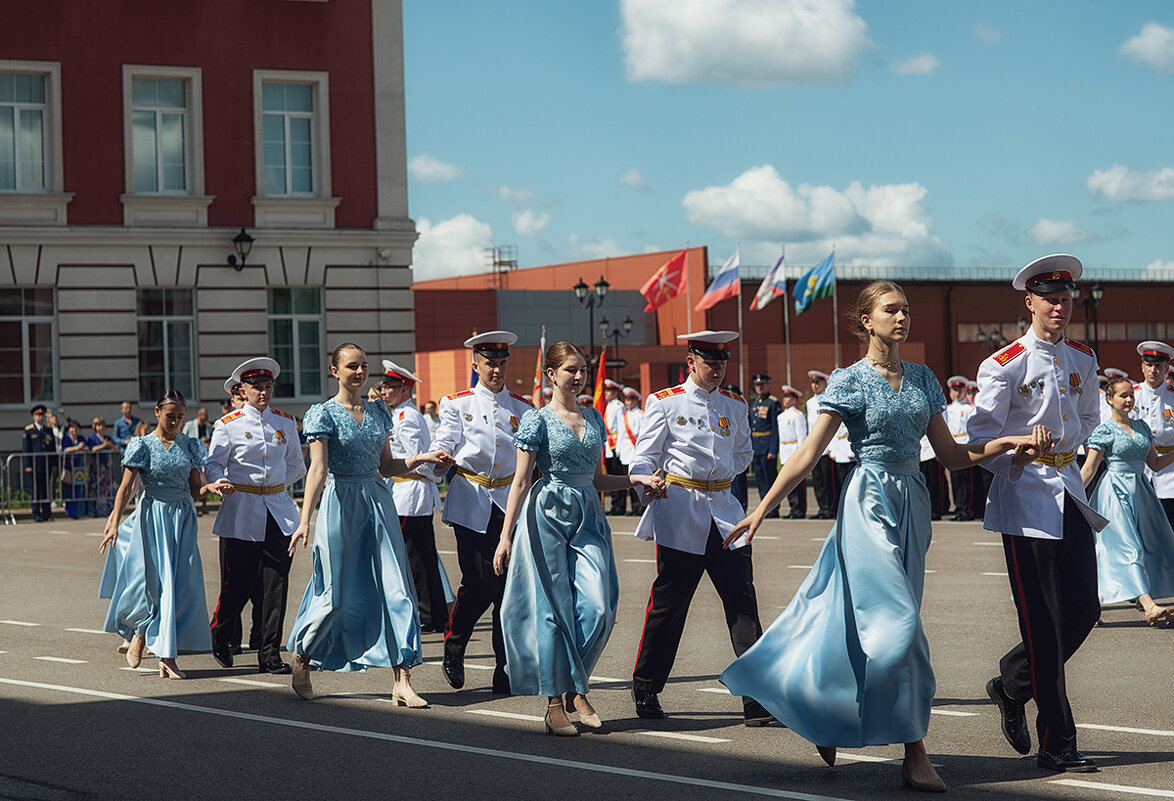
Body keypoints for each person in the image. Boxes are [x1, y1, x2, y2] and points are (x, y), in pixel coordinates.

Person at [720, 281, 1047, 793]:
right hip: (868, 498)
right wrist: (761, 508)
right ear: (866, 321)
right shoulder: (848, 381)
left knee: (864, 622)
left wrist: (1004, 446)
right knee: (897, 627)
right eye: (891, 310)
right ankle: (916, 751)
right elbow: (808, 453)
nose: (902, 318)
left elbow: (951, 456)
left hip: (913, 502)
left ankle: (824, 710)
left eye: (907, 310)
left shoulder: (922, 379)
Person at [968, 254, 1108, 774]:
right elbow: (979, 441)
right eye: (1050, 298)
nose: (1060, 306)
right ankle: (1059, 739)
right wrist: (1018, 449)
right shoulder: (1003, 364)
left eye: (1066, 298)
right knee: (1044, 622)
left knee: (1085, 609)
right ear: (1029, 302)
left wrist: (1072, 452)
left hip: (1069, 488)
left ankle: (1012, 684)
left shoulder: (1081, 357)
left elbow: (1089, 417)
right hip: (1026, 497)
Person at [492, 342, 665, 735]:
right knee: (555, 610)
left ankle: (573, 683)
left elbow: (597, 478)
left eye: (583, 369)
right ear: (551, 375)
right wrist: (506, 536)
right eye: (571, 369)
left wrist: (635, 479)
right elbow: (520, 481)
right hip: (548, 512)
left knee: (600, 607)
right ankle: (555, 703)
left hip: (588, 514)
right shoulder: (537, 420)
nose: (579, 375)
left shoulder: (595, 418)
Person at [286, 343, 453, 703]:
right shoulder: (323, 414)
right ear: (335, 371)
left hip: (378, 501)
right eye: (351, 366)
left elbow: (387, 467)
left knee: (396, 588)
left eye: (363, 366)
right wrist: (304, 520)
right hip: (341, 503)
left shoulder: (379, 412)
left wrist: (423, 457)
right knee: (335, 594)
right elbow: (317, 470)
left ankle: (402, 679)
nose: (359, 372)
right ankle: (302, 655)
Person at [628, 331, 771, 726]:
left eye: (723, 363)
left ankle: (756, 699)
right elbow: (642, 459)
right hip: (681, 512)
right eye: (710, 363)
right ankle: (646, 685)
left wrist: (719, 475)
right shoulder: (664, 402)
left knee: (743, 606)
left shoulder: (735, 404)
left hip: (725, 512)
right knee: (669, 606)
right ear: (691, 361)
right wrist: (649, 481)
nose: (717, 370)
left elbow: (743, 452)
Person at [429, 331, 536, 695]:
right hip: (471, 500)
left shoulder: (523, 409)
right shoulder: (457, 403)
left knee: (505, 585)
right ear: (475, 364)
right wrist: (440, 460)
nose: (497, 369)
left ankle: (504, 668)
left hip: (508, 502)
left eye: (502, 363)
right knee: (479, 581)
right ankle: (455, 645)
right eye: (490, 363)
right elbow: (444, 443)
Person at [99, 390, 228, 679]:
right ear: (157, 413)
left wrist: (210, 488)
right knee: (153, 583)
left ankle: (167, 657)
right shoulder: (141, 445)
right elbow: (125, 488)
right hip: (152, 515)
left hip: (182, 517)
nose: (176, 422)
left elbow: (196, 488)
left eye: (181, 417)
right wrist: (114, 522)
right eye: (171, 416)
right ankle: (141, 634)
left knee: (180, 587)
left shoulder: (190, 445)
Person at [205, 358, 306, 675]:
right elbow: (213, 464)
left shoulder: (286, 423)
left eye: (267, 387)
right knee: (237, 584)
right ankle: (221, 634)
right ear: (243, 390)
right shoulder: (228, 424)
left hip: (278, 511)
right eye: (256, 387)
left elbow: (296, 466)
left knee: (276, 584)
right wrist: (219, 481)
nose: (263, 392)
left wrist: (274, 486)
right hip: (241, 509)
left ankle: (270, 652)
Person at [1080, 376, 1174, 625]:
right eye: (1123, 395)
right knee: (1127, 546)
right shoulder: (1104, 430)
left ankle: (1086, 603)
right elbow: (1089, 468)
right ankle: (1149, 604)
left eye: (1131, 395)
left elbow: (1154, 464)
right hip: (1114, 492)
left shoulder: (1142, 426)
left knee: (1157, 543)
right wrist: (1071, 495)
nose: (1129, 399)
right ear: (1109, 399)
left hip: (1142, 490)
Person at [380, 359, 450, 633]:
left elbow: (417, 457)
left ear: (404, 390)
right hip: (410, 492)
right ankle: (434, 615)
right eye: (384, 387)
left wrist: (432, 476)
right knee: (421, 556)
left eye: (390, 387)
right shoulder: (401, 414)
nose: (385, 392)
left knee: (401, 554)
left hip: (410, 494)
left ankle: (422, 613)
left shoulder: (405, 418)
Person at [1131, 341, 1174, 526]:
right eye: (1149, 365)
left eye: (1158, 366)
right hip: (1140, 468)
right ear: (1142, 367)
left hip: (1170, 469)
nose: (1153, 370)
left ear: (1166, 368)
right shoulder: (1132, 395)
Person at [748, 373, 782, 518]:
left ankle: (773, 508)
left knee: (770, 478)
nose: (759, 388)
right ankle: (764, 507)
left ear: (767, 385)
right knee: (760, 480)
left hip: (767, 446)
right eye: (757, 385)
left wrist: (773, 449)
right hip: (756, 446)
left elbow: (775, 428)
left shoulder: (773, 403)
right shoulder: (755, 404)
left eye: (762, 385)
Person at [945, 376, 977, 520]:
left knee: (967, 480)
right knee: (956, 480)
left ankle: (967, 509)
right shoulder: (947, 409)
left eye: (960, 390)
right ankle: (958, 508)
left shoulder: (969, 408)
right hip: (953, 443)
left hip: (965, 442)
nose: (957, 393)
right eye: (954, 390)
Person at [775, 385, 807, 518]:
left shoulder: (797, 415)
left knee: (798, 482)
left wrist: (801, 454)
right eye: (785, 397)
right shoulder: (781, 416)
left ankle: (800, 509)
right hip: (785, 451)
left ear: (794, 400)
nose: (786, 400)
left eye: (789, 397)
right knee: (788, 482)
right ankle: (793, 508)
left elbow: (801, 436)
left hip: (794, 449)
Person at [806, 371, 835, 519]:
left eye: (818, 383)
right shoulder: (809, 403)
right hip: (814, 446)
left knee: (828, 480)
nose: (815, 386)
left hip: (826, 446)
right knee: (817, 480)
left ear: (824, 384)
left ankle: (831, 508)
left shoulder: (828, 398)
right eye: (813, 383)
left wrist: (831, 447)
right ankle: (822, 508)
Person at [22, 404, 56, 522]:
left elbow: (52, 448)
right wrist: (27, 465)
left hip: (46, 464)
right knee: (35, 489)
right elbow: (26, 449)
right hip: (35, 464)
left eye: (42, 415)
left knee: (45, 490)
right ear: (33, 416)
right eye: (38, 415)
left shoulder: (48, 430)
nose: (40, 417)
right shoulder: (29, 430)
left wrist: (54, 464)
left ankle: (47, 513)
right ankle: (36, 513)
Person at [616, 386, 645, 515]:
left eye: (630, 400)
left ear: (636, 400)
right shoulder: (624, 416)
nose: (627, 403)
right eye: (626, 400)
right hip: (626, 451)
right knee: (628, 481)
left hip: (635, 451)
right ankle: (632, 507)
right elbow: (621, 434)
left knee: (637, 481)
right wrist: (618, 449)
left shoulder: (641, 415)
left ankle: (639, 507)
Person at [602, 379, 628, 515]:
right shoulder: (609, 406)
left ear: (615, 392)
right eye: (606, 390)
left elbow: (622, 427)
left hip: (616, 443)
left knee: (618, 476)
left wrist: (618, 447)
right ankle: (614, 504)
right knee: (611, 475)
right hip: (609, 444)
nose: (606, 393)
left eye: (609, 391)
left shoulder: (619, 405)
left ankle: (620, 505)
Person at [86, 417, 117, 517]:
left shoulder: (107, 437)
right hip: (97, 467)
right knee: (97, 489)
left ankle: (108, 510)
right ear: (95, 427)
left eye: (102, 426)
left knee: (108, 488)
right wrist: (103, 446)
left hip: (107, 466)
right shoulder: (92, 438)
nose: (101, 428)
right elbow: (92, 449)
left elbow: (115, 448)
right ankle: (96, 510)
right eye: (98, 426)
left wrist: (110, 445)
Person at [60, 419, 89, 518]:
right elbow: (65, 449)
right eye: (72, 428)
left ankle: (79, 512)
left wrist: (81, 447)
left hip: (79, 467)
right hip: (69, 467)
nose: (74, 430)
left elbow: (87, 448)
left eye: (76, 428)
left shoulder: (81, 438)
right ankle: (70, 511)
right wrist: (77, 448)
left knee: (79, 489)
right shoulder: (66, 438)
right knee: (69, 490)